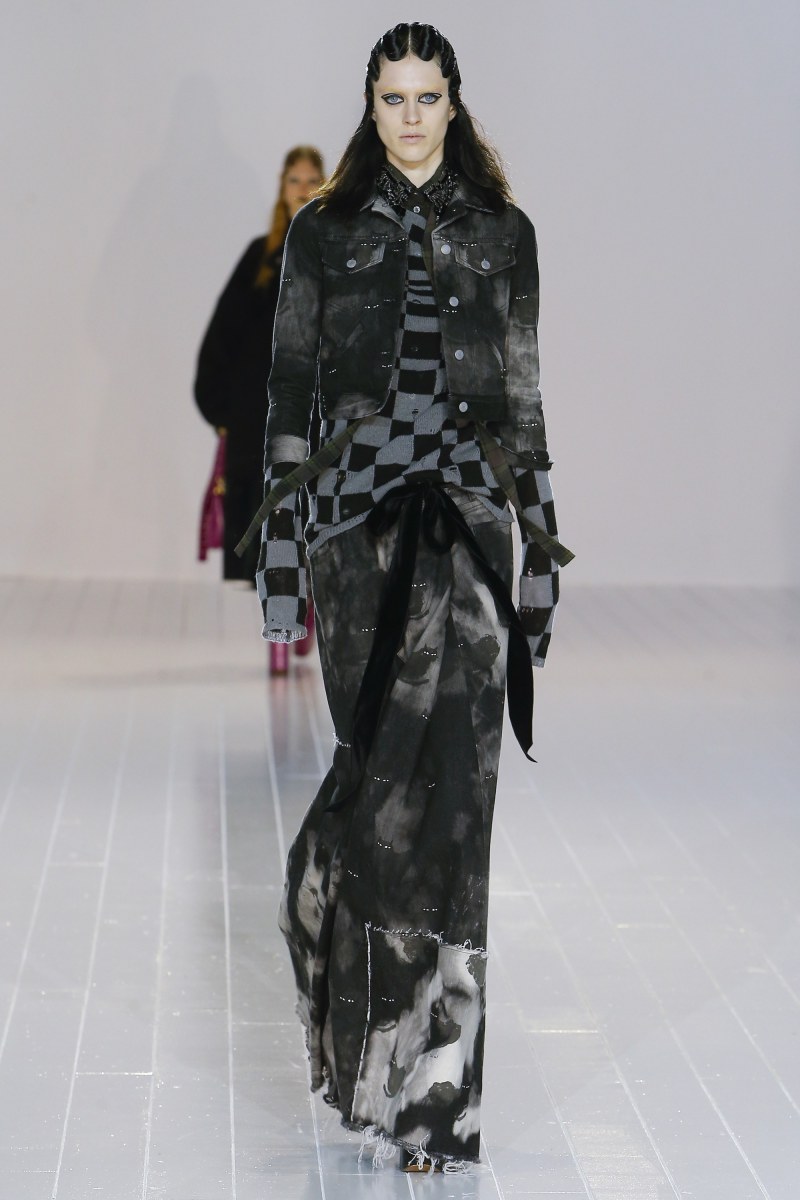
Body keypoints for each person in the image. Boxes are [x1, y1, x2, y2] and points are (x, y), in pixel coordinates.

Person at [249, 23, 573, 1171]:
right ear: (370, 103)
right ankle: (362, 1045)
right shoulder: (324, 234)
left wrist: (539, 555)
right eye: (392, 98)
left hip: (473, 533)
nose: (410, 117)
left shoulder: (504, 235)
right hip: (355, 543)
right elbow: (288, 395)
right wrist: (278, 567)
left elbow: (523, 402)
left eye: (426, 97)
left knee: (460, 816)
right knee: (382, 804)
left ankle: (434, 1107)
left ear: (453, 101)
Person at [194, 145, 325, 672]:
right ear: (282, 188)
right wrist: (221, 408)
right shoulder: (260, 259)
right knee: (271, 520)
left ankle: (305, 612)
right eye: (295, 180)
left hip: (319, 411)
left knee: (314, 518)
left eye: (312, 179)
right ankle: (279, 633)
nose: (303, 190)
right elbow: (224, 334)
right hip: (261, 414)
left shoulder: (341, 253)